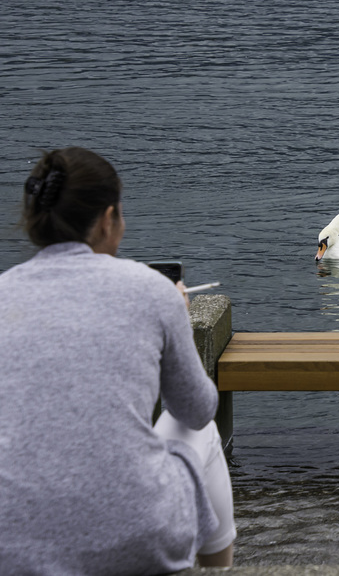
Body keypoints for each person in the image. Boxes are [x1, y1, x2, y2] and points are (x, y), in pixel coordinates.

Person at [0, 148, 236, 574]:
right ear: (108, 219)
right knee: (199, 433)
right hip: (136, 538)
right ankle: (219, 568)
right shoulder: (150, 290)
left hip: (11, 548)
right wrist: (175, 318)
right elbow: (199, 410)